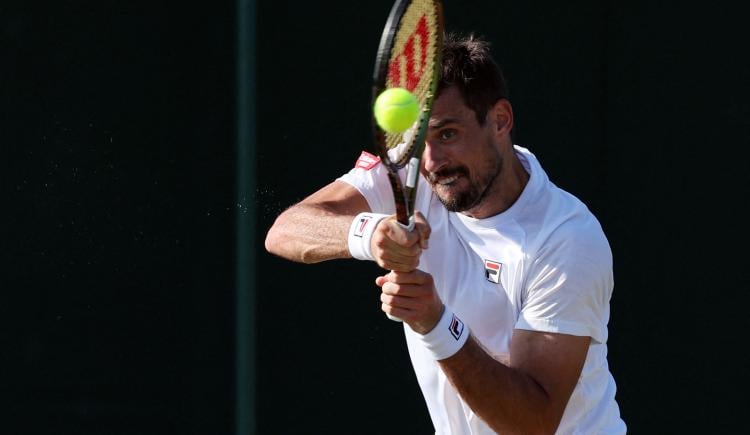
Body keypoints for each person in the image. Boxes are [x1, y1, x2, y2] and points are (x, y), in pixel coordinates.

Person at [265, 32, 626, 435]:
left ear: (501, 120)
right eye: (422, 138)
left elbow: (532, 423)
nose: (433, 161)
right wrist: (372, 234)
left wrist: (435, 323)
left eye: (448, 134)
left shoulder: (567, 239)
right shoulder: (411, 170)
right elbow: (286, 230)